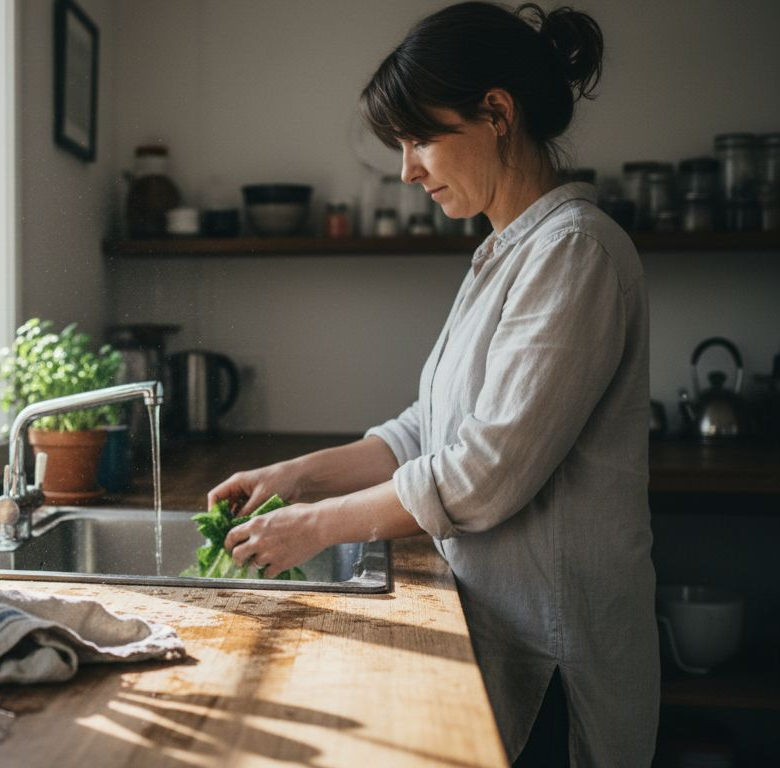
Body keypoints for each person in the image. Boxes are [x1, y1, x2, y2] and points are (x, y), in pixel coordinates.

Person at [210, 3, 658, 765]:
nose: (408, 169)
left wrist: (314, 527)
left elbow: (484, 475)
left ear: (496, 114)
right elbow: (427, 430)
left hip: (556, 654)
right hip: (503, 630)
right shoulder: (503, 253)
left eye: (421, 139)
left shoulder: (574, 253)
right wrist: (294, 477)